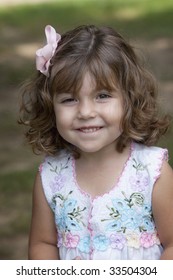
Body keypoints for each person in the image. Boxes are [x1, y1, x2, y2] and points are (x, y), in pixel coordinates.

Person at [19, 24, 173, 260]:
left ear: (129, 98)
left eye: (102, 96)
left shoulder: (152, 171)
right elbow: (43, 244)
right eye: (69, 99)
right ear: (50, 106)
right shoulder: (51, 175)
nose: (86, 112)